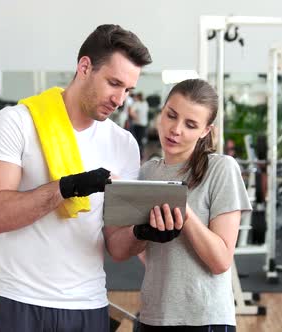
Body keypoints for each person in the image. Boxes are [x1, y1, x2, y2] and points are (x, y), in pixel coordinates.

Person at [0, 24, 152, 331]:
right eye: (113, 83)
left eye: (128, 90)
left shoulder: (123, 144)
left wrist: (146, 232)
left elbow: (118, 246)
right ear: (84, 67)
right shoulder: (15, 123)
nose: (120, 99)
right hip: (18, 301)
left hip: (87, 305)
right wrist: (68, 187)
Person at [105, 79, 251, 331]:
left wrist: (181, 208)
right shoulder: (147, 172)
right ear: (161, 112)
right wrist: (138, 229)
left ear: (205, 131)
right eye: (171, 116)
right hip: (153, 316)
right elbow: (123, 252)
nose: (176, 129)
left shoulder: (221, 169)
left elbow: (221, 261)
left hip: (205, 319)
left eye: (191, 124)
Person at [129, 92, 150, 159]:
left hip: (138, 124)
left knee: (137, 140)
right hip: (144, 124)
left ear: (137, 97)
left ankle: (138, 155)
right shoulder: (145, 103)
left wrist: (135, 117)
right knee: (141, 140)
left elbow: (131, 112)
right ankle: (141, 154)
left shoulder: (136, 104)